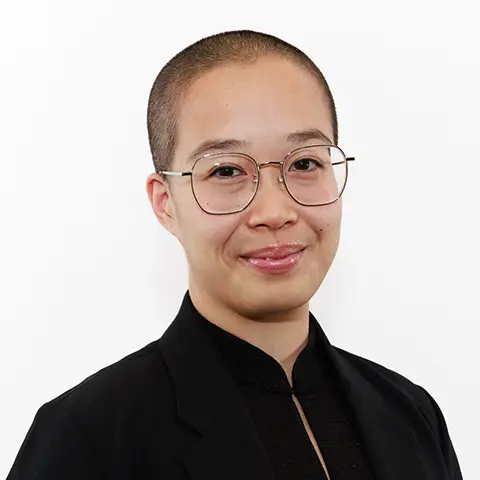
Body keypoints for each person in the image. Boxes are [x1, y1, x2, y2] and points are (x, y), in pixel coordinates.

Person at [7, 30, 462, 480]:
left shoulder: (410, 414)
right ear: (165, 203)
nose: (275, 212)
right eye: (226, 171)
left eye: (305, 163)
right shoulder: (87, 439)